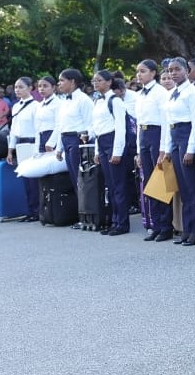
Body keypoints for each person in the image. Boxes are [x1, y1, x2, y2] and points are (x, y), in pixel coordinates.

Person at [159, 58, 195, 245]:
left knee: (190, 187)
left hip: (187, 135)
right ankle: (186, 228)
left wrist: (190, 149)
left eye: (177, 69)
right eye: (170, 70)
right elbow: (169, 123)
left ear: (186, 71)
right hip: (175, 136)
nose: (173, 73)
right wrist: (167, 149)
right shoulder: (173, 93)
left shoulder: (192, 93)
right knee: (182, 188)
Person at [89, 71, 136, 236]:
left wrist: (117, 152)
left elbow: (121, 128)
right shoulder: (98, 101)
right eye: (94, 80)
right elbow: (97, 127)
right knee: (110, 185)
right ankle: (114, 221)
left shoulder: (115, 101)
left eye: (99, 80)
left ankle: (122, 223)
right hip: (102, 142)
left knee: (119, 185)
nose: (96, 83)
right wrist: (97, 150)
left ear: (109, 82)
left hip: (113, 142)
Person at [47, 69, 95, 226]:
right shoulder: (64, 101)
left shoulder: (83, 100)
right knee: (74, 179)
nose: (59, 83)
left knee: (81, 180)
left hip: (78, 139)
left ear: (73, 82)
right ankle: (81, 215)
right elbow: (61, 125)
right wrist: (59, 147)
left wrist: (86, 138)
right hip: (66, 139)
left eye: (62, 80)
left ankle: (87, 215)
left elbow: (90, 123)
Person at [134, 61, 172, 241]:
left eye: (143, 71)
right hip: (144, 135)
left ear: (153, 73)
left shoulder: (160, 93)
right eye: (138, 71)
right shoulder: (139, 94)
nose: (139, 75)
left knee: (161, 183)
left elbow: (165, 122)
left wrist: (163, 149)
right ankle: (155, 224)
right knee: (149, 183)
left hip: (157, 135)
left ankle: (166, 226)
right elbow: (138, 123)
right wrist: (138, 151)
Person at [5, 77, 40, 222]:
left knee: (33, 180)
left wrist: (37, 149)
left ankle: (37, 211)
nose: (17, 90)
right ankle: (30, 210)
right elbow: (13, 130)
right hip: (20, 144)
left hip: (31, 142)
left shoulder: (36, 106)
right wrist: (10, 150)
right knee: (25, 179)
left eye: (21, 87)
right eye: (16, 87)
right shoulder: (16, 106)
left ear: (30, 88)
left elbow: (38, 129)